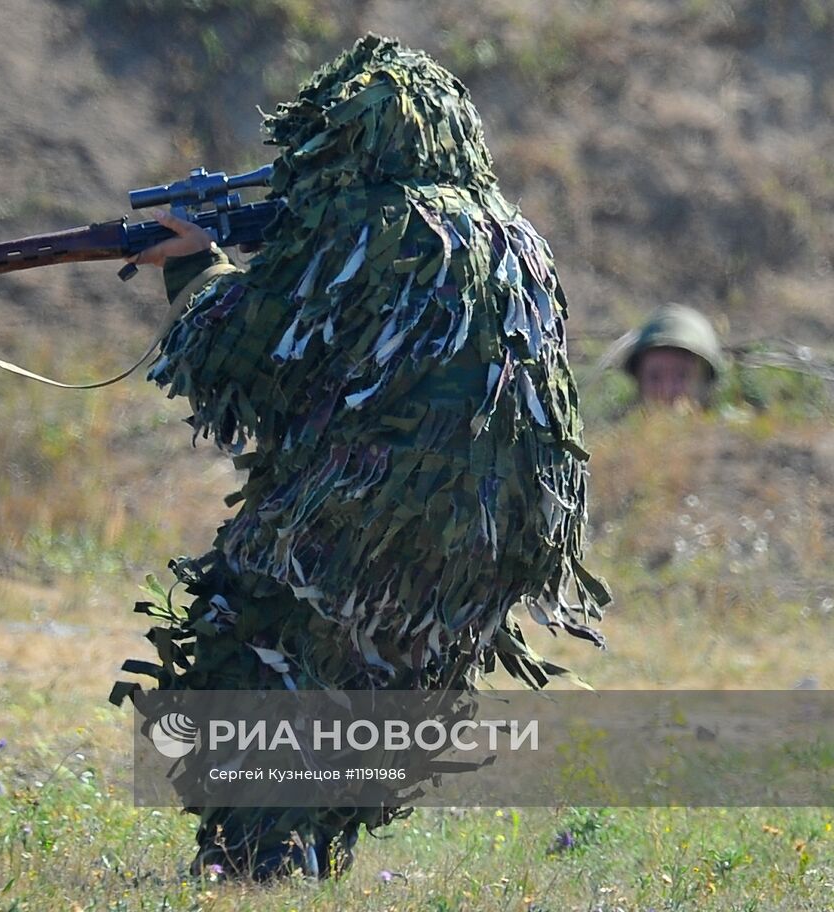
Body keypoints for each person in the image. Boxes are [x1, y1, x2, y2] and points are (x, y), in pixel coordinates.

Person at [111, 34, 608, 879]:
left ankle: (261, 858)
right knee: (378, 677)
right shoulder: (517, 237)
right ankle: (305, 853)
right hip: (510, 525)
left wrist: (194, 270)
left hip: (379, 505)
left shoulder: (363, 224)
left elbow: (238, 362)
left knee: (249, 633)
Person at [622, 303, 724, 407]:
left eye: (682, 376)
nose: (667, 391)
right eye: (654, 377)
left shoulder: (732, 421)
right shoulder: (619, 422)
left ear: (705, 382)